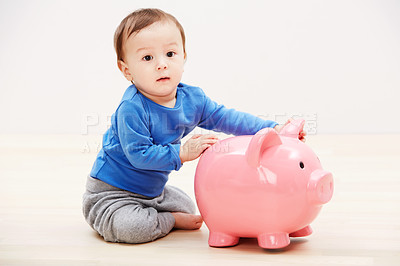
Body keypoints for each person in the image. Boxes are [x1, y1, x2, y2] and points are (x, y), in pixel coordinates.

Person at [82, 8, 306, 244]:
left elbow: (227, 118)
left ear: (183, 56)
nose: (161, 64)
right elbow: (138, 155)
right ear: (127, 70)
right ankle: (168, 220)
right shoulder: (132, 108)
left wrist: (274, 128)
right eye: (148, 58)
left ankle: (159, 209)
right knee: (132, 229)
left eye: (170, 53)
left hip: (152, 192)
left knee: (190, 206)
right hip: (112, 193)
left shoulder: (192, 99)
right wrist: (181, 152)